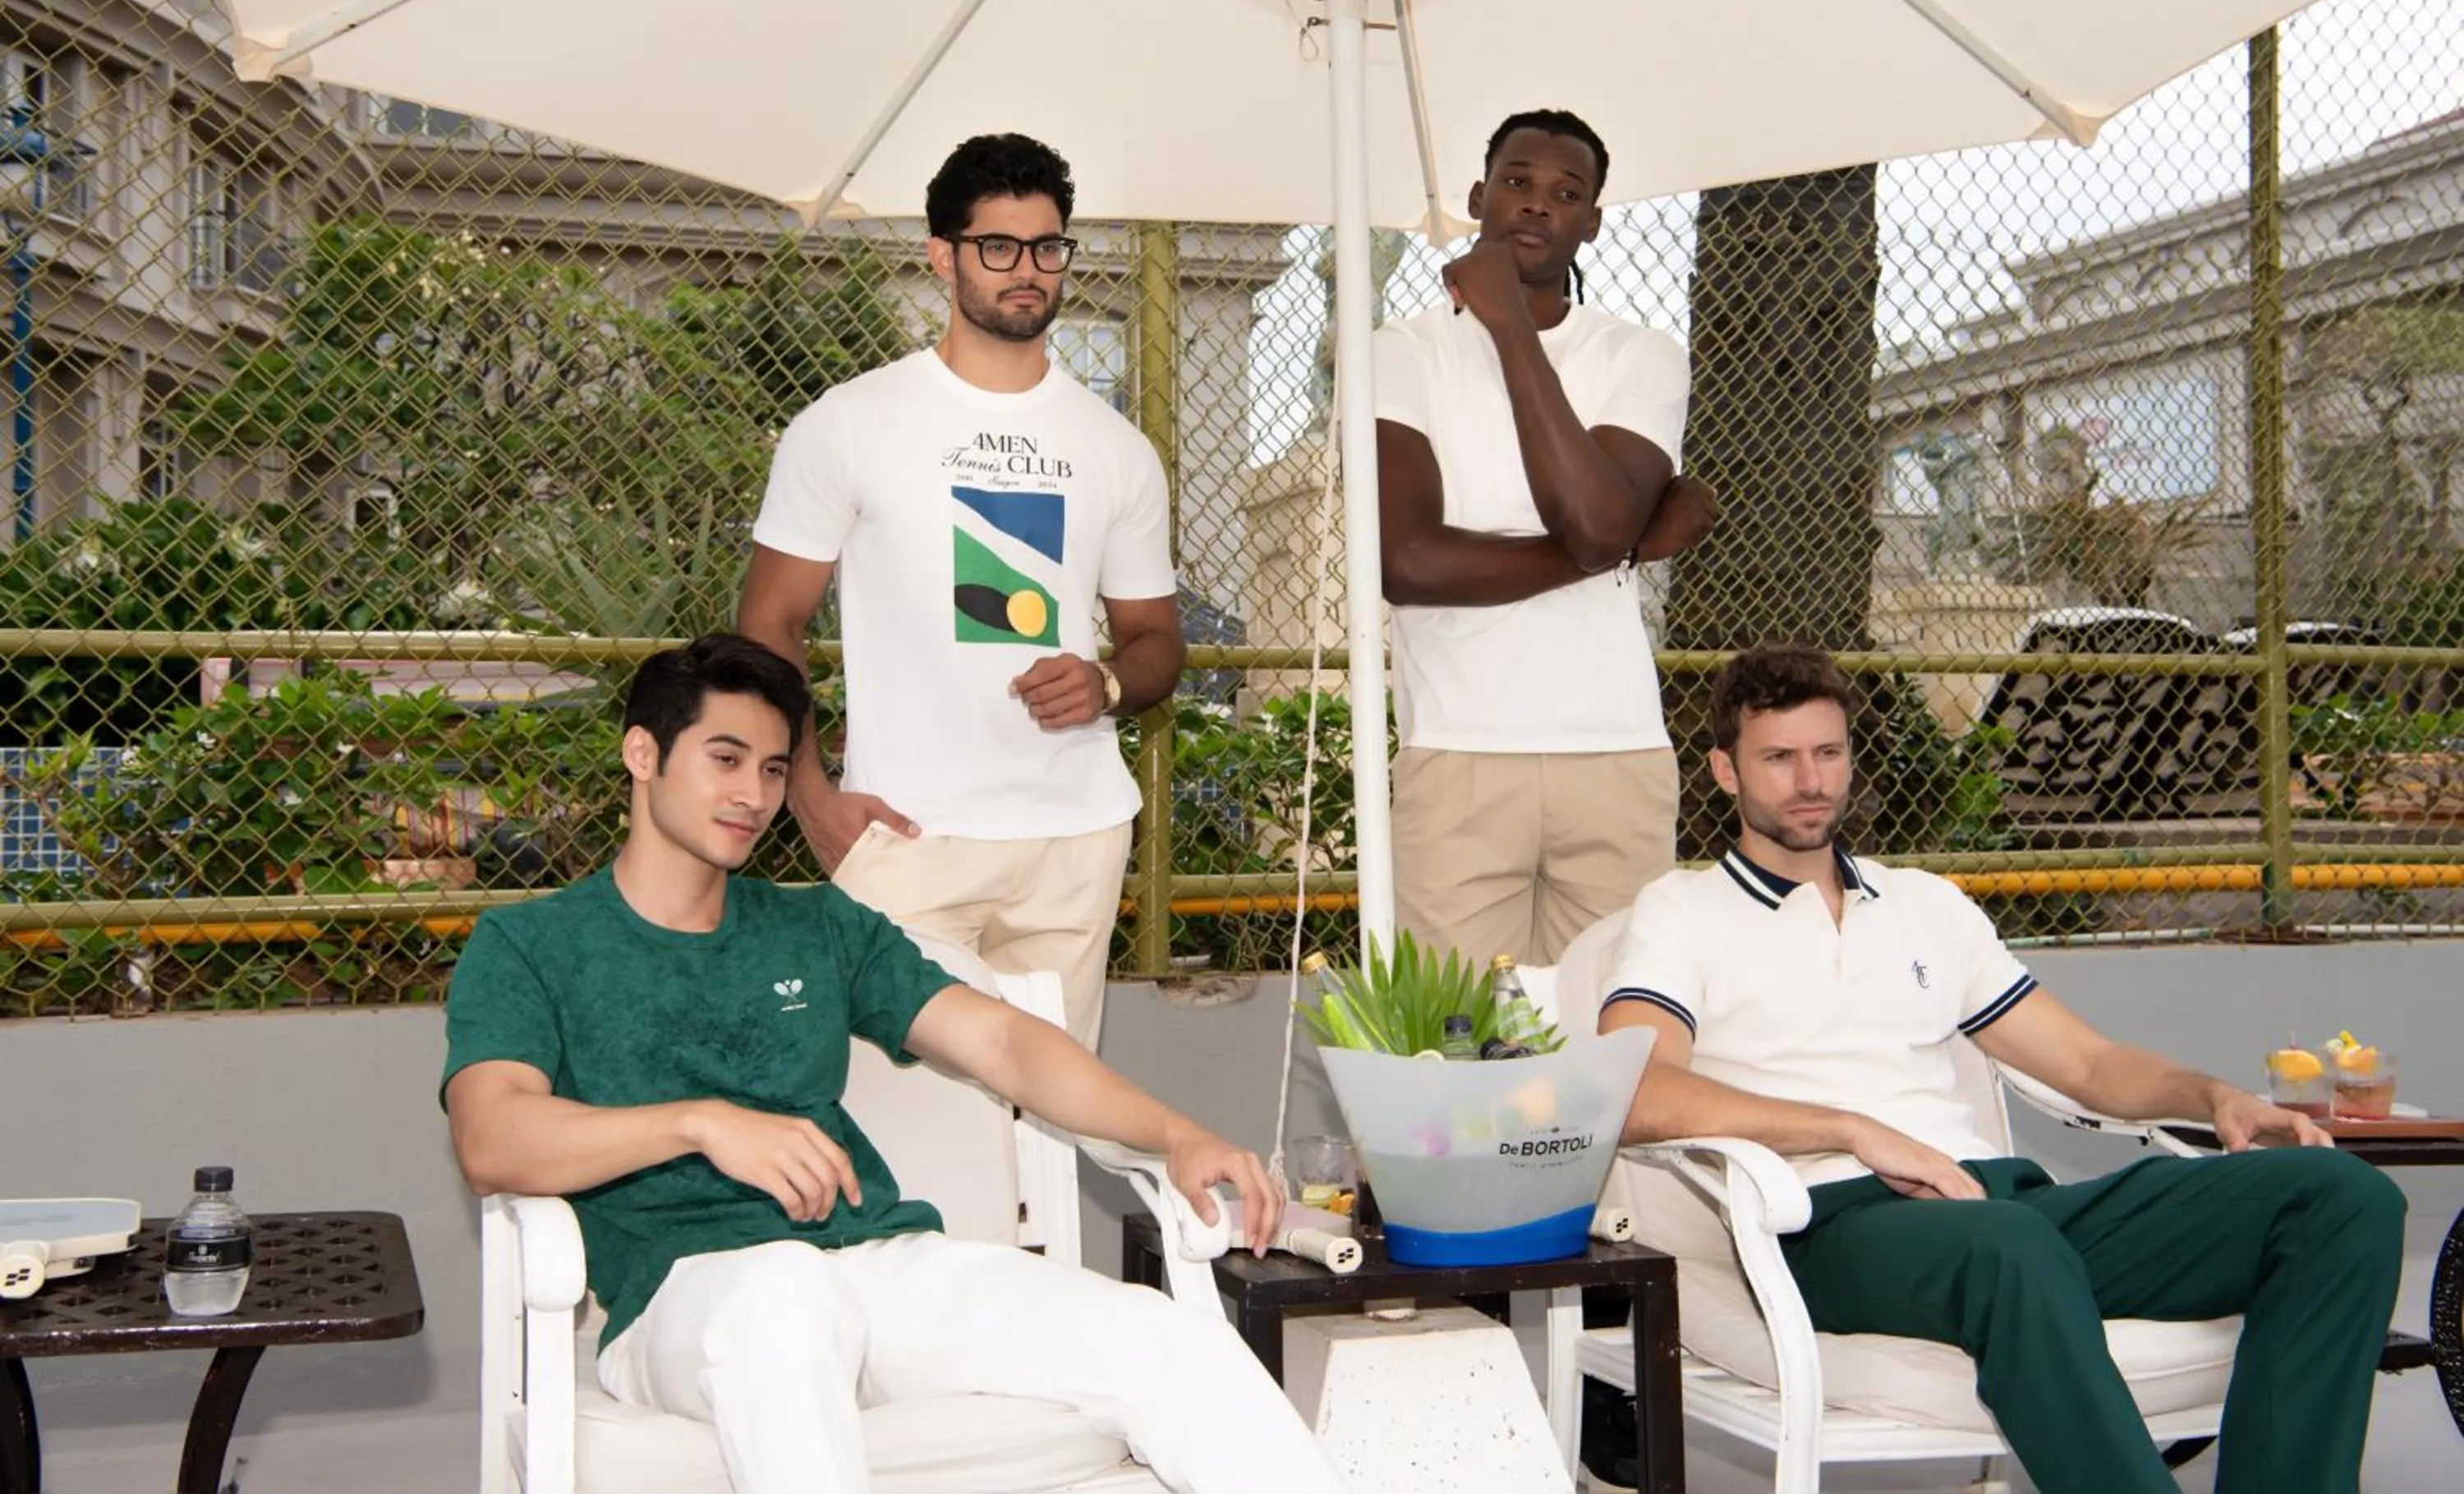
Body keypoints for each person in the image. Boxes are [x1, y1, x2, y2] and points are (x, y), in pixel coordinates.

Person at [443, 635, 1343, 1494]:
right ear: (643, 753)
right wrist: (700, 1122)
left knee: (1161, 1336)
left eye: (771, 768)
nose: (753, 794)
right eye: (725, 759)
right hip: (688, 1296)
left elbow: (1000, 1041)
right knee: (783, 1296)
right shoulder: (531, 945)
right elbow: (492, 1135)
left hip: (875, 1261)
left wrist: (1178, 1134)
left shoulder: (818, 926)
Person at [1598, 642, 2405, 1494]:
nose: (1810, 780)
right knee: (2009, 1244)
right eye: (1779, 757)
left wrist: (2214, 1094)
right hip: (1829, 1223)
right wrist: (1855, 1133)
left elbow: (2088, 1061)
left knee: (2339, 1198)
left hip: (2003, 1208)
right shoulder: (1684, 912)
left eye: (1828, 752)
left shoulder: (1925, 905)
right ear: (1725, 770)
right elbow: (1640, 1088)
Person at [738, 133, 1182, 1047]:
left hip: (1076, 836)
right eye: (998, 247)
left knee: (1049, 1137)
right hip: (907, 835)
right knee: (904, 1135)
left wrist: (1102, 683)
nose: (1028, 270)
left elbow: (1158, 644)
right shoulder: (850, 424)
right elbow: (767, 623)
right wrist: (811, 800)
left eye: (1048, 247)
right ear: (943, 257)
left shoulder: (1117, 449)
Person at [1375, 107, 1716, 968]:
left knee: (1613, 1045)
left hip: (1615, 751)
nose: (1536, 205)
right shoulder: (1399, 353)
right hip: (1458, 751)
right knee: (1455, 1046)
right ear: (1477, 198)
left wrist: (1514, 330)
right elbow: (1408, 561)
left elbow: (1597, 518)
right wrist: (1621, 548)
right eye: (1517, 183)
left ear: (1592, 224)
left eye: (1566, 193)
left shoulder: (1640, 356)